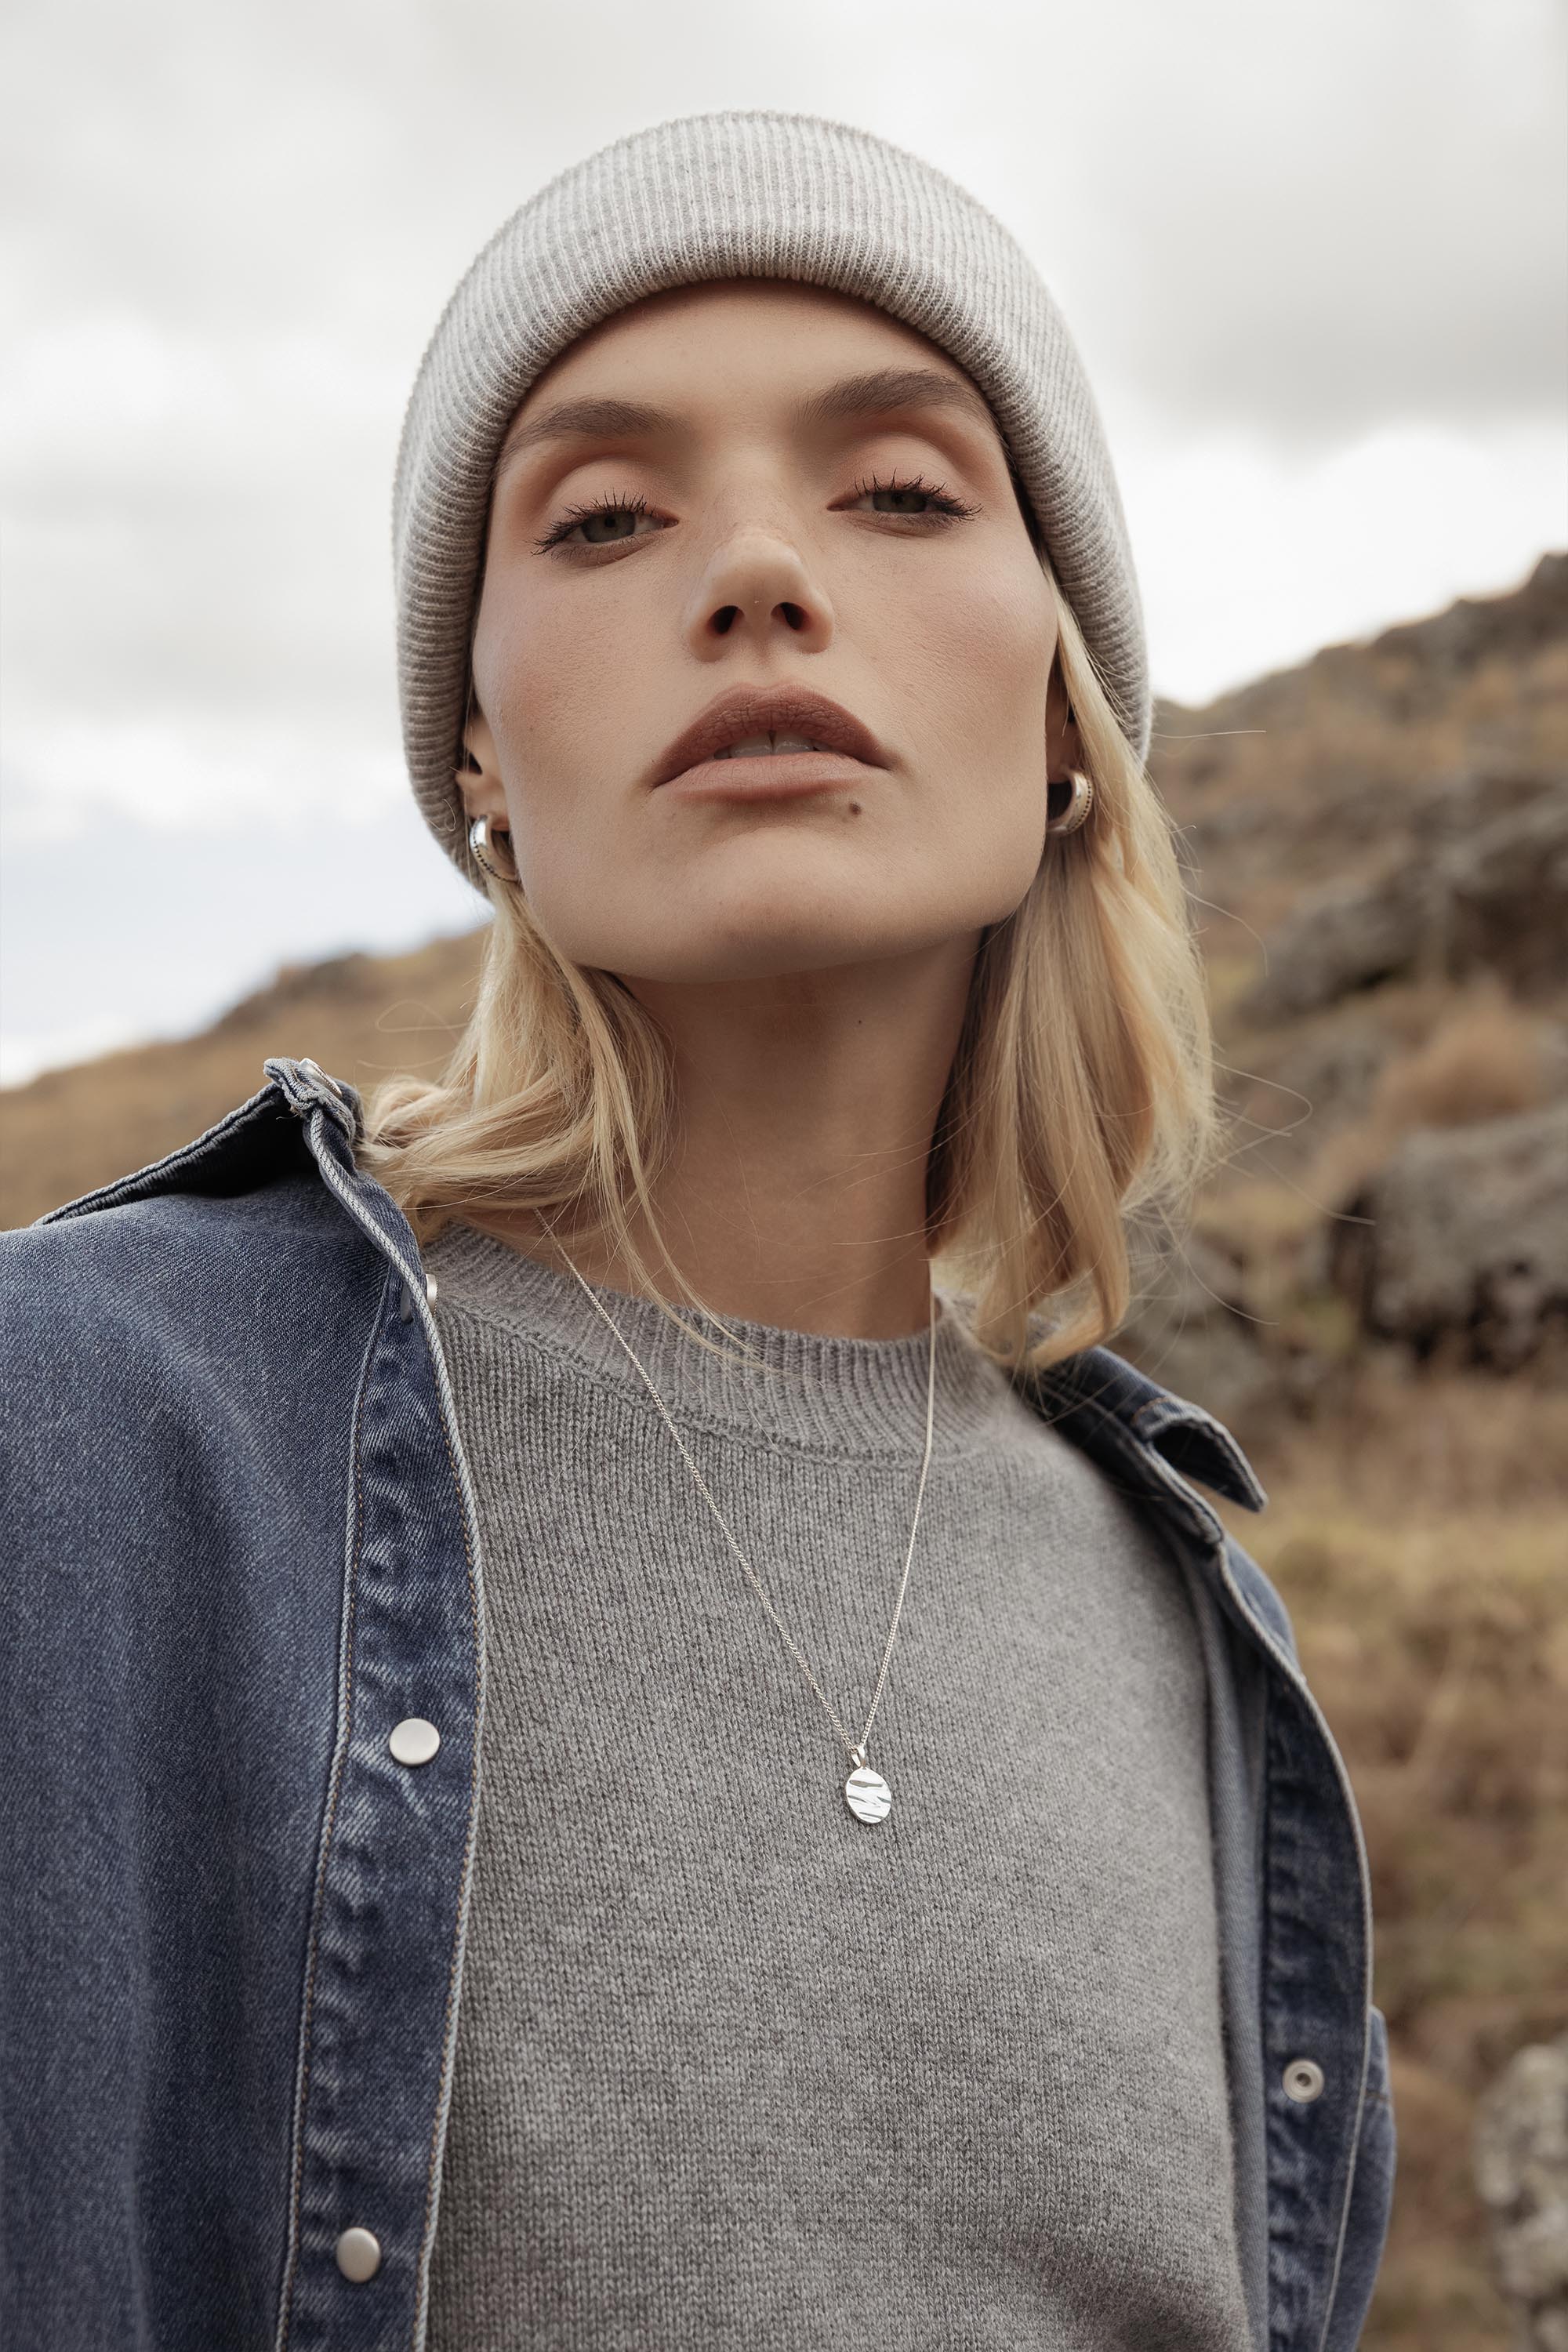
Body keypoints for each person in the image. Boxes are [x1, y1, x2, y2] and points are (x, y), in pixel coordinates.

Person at [0, 112, 1394, 2352]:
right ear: (472, 743)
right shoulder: (85, 1434)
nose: (752, 570)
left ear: (1066, 711)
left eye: (903, 489)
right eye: (606, 515)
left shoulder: (1199, 1618)